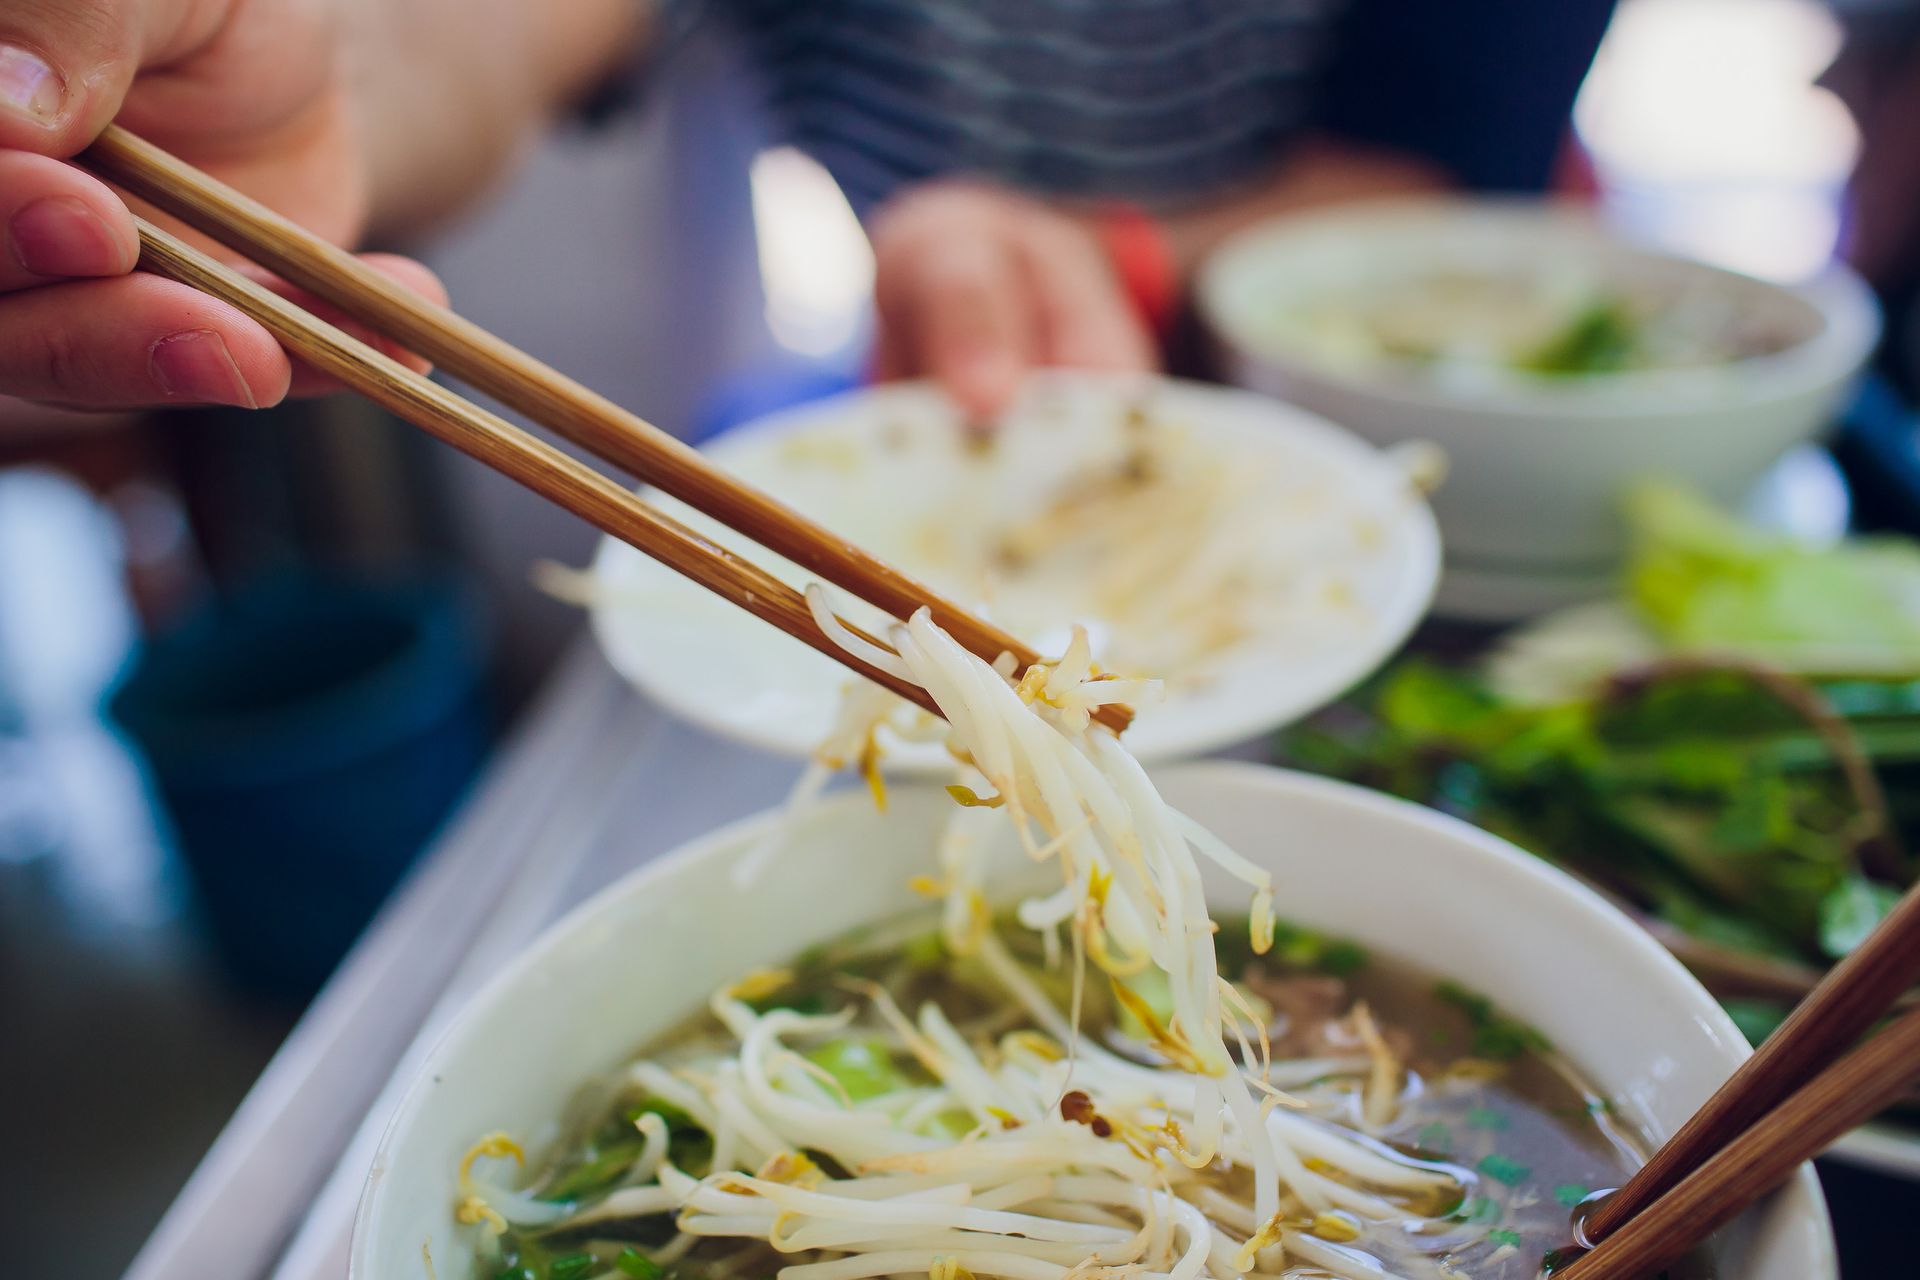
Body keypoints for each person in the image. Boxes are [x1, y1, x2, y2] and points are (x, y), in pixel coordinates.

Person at [0, 0, 1615, 421]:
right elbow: (481, 32)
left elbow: (1420, 182)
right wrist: (310, 74)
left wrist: (1109, 258)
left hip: (1472, 412)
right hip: (964, 425)